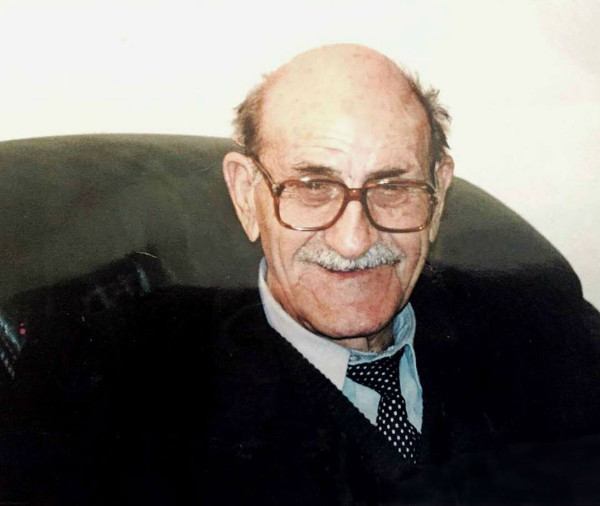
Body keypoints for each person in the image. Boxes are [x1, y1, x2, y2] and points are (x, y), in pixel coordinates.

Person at [3, 44, 600, 505]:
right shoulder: (111, 387)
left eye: (392, 187)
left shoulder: (540, 320)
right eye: (313, 187)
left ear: (438, 194)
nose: (354, 239)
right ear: (247, 195)